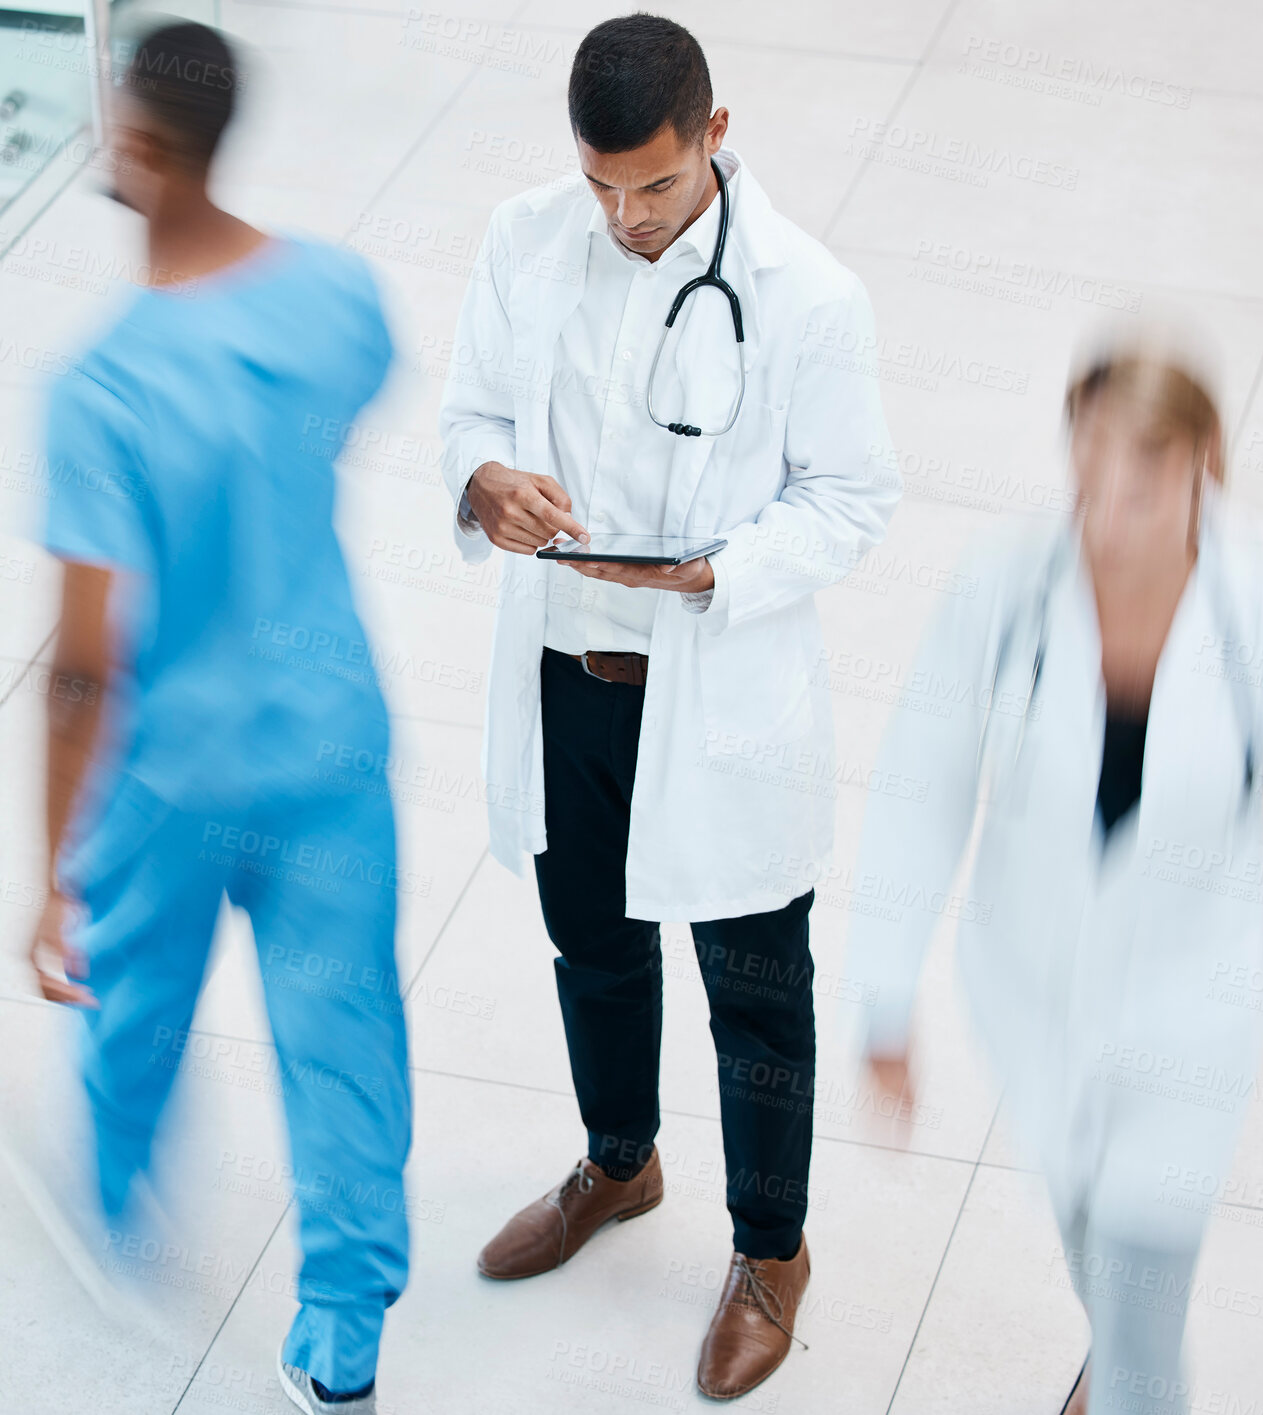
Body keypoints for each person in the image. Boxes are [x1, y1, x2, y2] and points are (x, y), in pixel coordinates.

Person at [439, 12, 898, 1400]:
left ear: (714, 133)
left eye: (650, 184)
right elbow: (468, 415)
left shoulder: (807, 293)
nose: (625, 216)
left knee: (755, 992)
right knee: (594, 946)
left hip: (715, 696)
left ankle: (771, 1250)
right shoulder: (525, 240)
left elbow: (853, 498)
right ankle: (620, 1159)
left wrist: (719, 568)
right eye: (600, 187)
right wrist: (484, 485)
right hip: (568, 675)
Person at [846, 345, 1263, 1415]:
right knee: (1090, 1221)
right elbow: (924, 783)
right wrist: (884, 992)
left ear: (1200, 465)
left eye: (1138, 487)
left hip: (1186, 1010)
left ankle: (1129, 1376)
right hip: (1030, 983)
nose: (1105, 517)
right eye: (1087, 476)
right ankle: (1120, 1347)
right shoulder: (1005, 584)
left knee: (1143, 1301)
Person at [26, 22, 409, 1415]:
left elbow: (83, 668)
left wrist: (52, 871)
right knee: (344, 1039)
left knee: (132, 1012)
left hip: (172, 778)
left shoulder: (102, 388)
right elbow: (339, 418)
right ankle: (343, 1339)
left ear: (132, 147)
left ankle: (119, 1209)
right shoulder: (341, 297)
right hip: (328, 746)